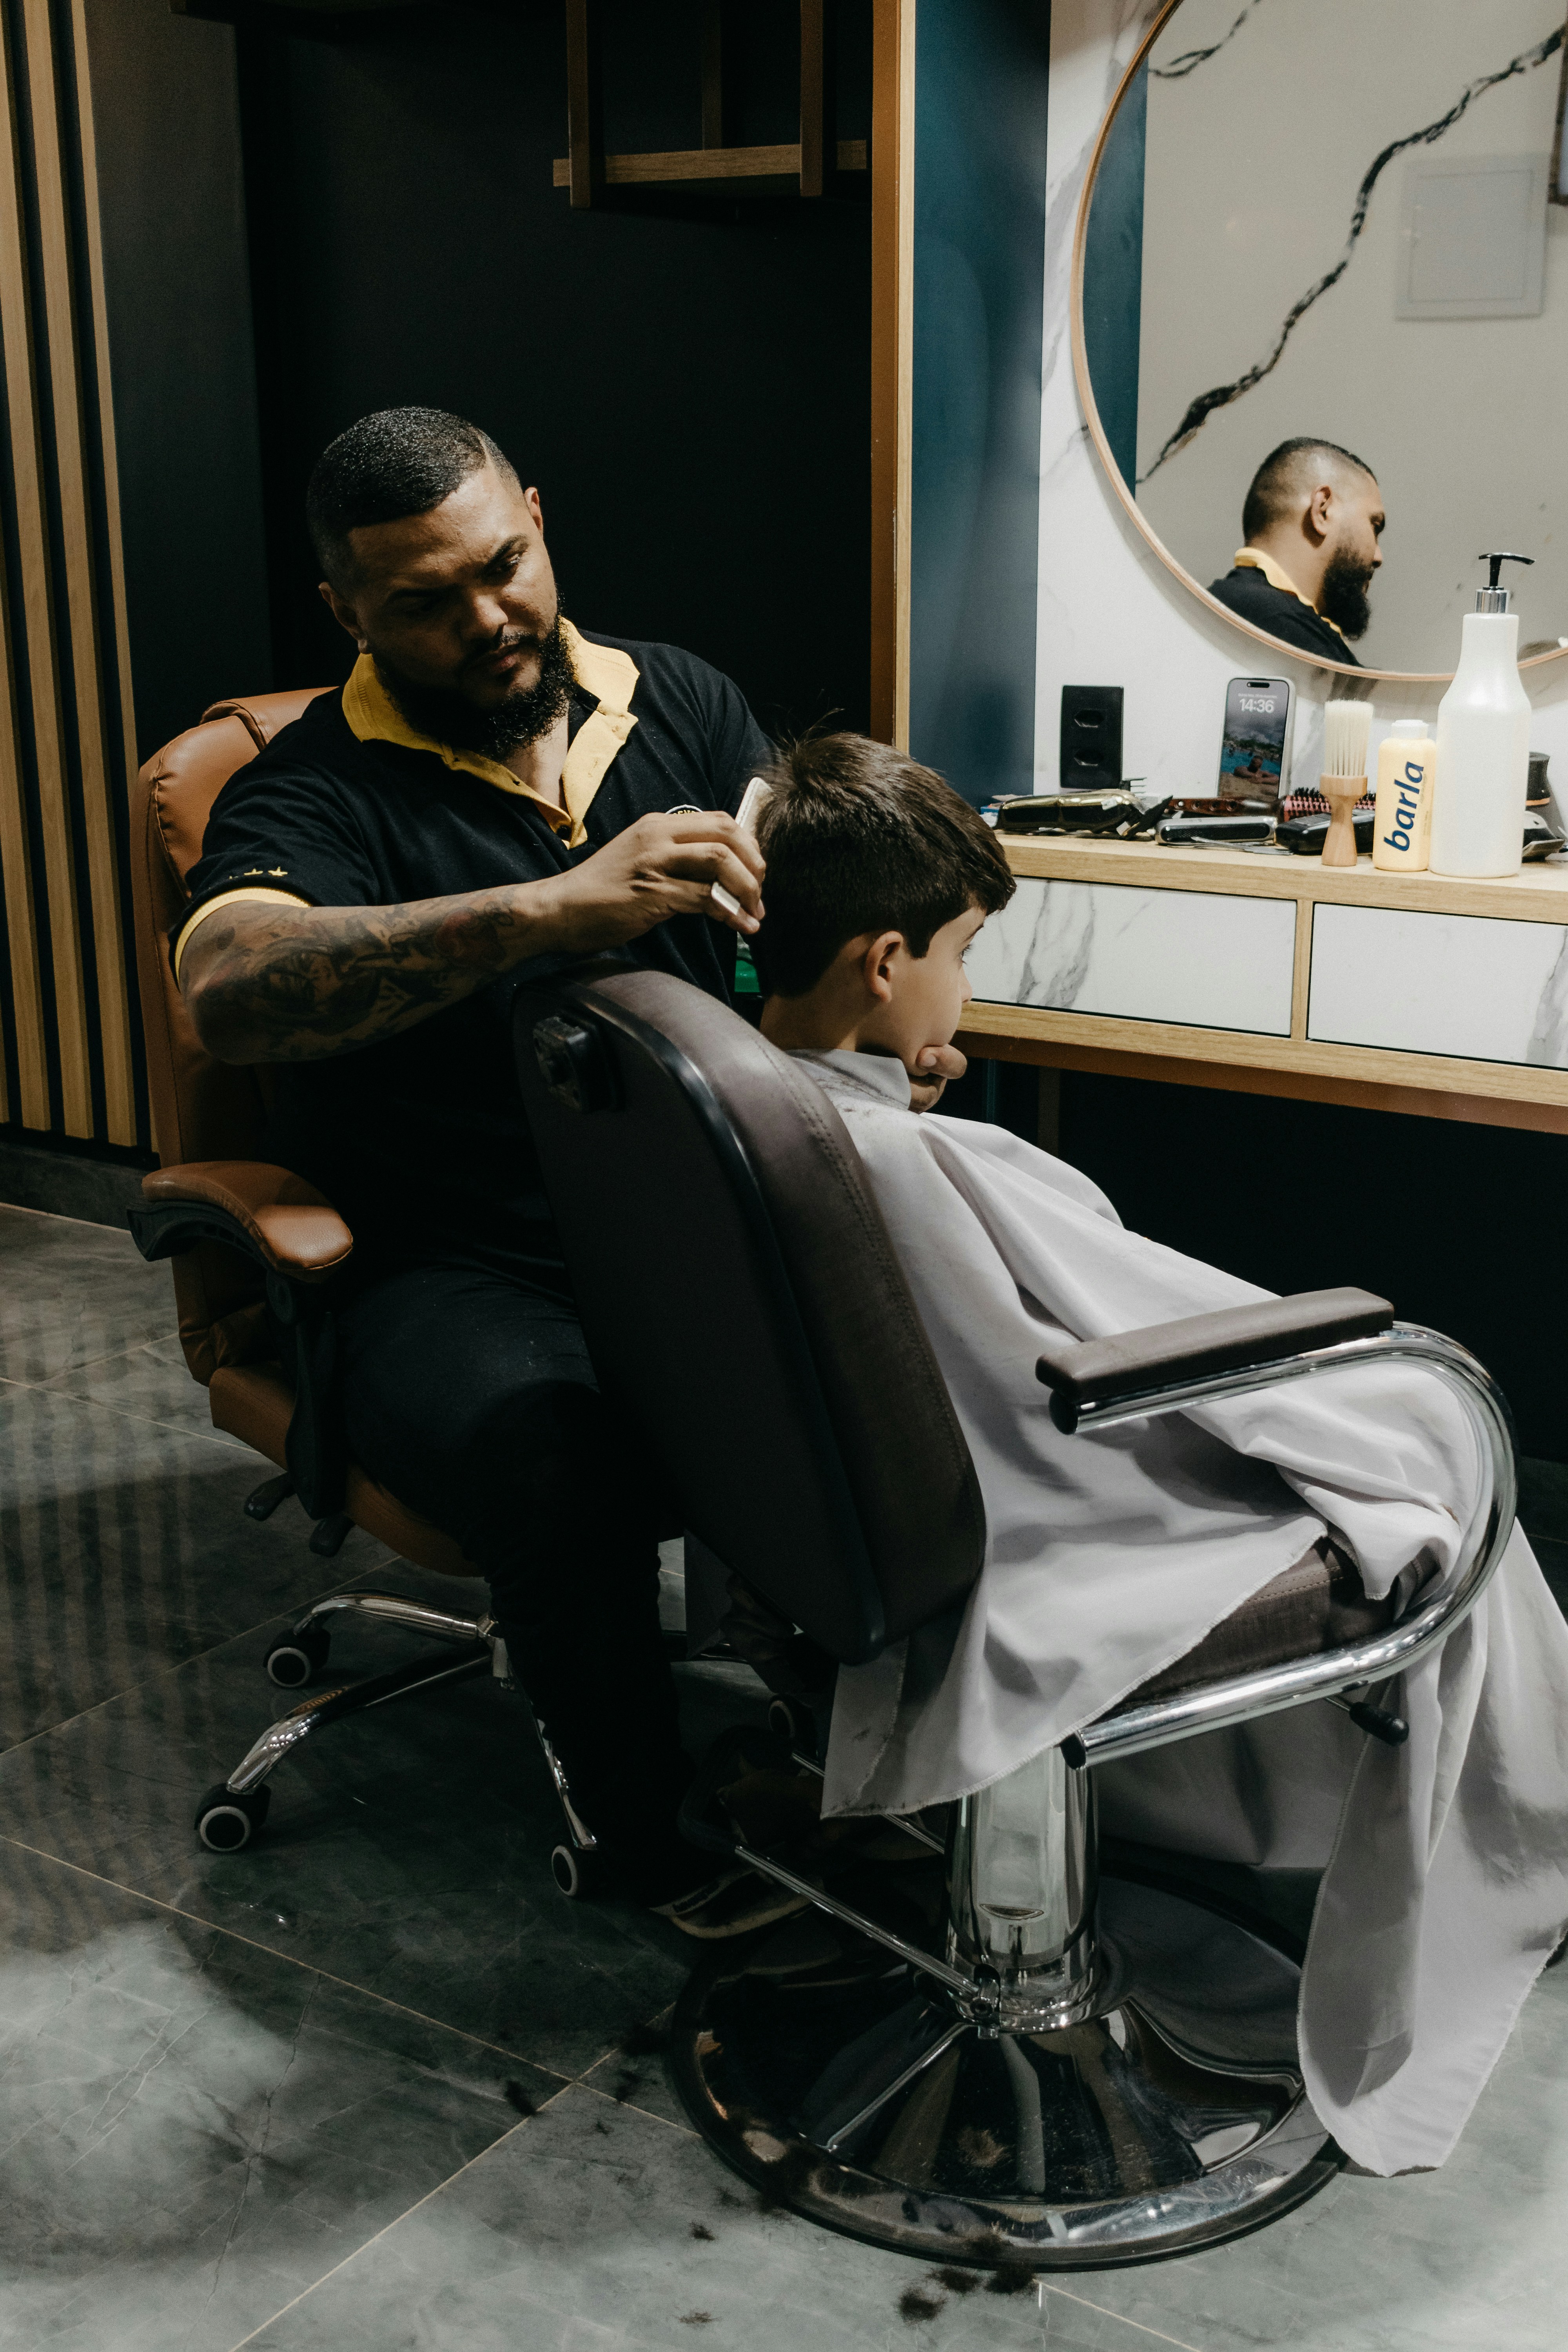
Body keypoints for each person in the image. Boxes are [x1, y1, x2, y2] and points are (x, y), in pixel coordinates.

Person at [175, 407, 959, 1927]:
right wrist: (547, 911)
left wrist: (890, 1044)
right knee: (559, 1439)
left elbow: (788, 954)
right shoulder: (314, 789)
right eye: (421, 601)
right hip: (448, 1265)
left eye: (503, 565)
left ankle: (880, 1752)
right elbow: (230, 984)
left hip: (693, 1230)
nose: (484, 619)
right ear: (345, 610)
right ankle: (644, 1837)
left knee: (920, 1342)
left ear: (535, 515)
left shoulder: (677, 702)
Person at [750, 731, 1568, 2178]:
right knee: (1436, 1443)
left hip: (838, 1509)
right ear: (881, 961)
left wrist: (890, 1085)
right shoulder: (895, 1156)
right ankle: (1525, 1843)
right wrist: (1355, 1401)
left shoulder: (762, 1093)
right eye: (957, 951)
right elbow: (1113, 1330)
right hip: (1026, 1512)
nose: (967, 988)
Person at [1209, 437, 1384, 665]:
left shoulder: (1217, 611)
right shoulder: (1284, 632)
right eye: (1375, 525)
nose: (1378, 557)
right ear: (1323, 511)